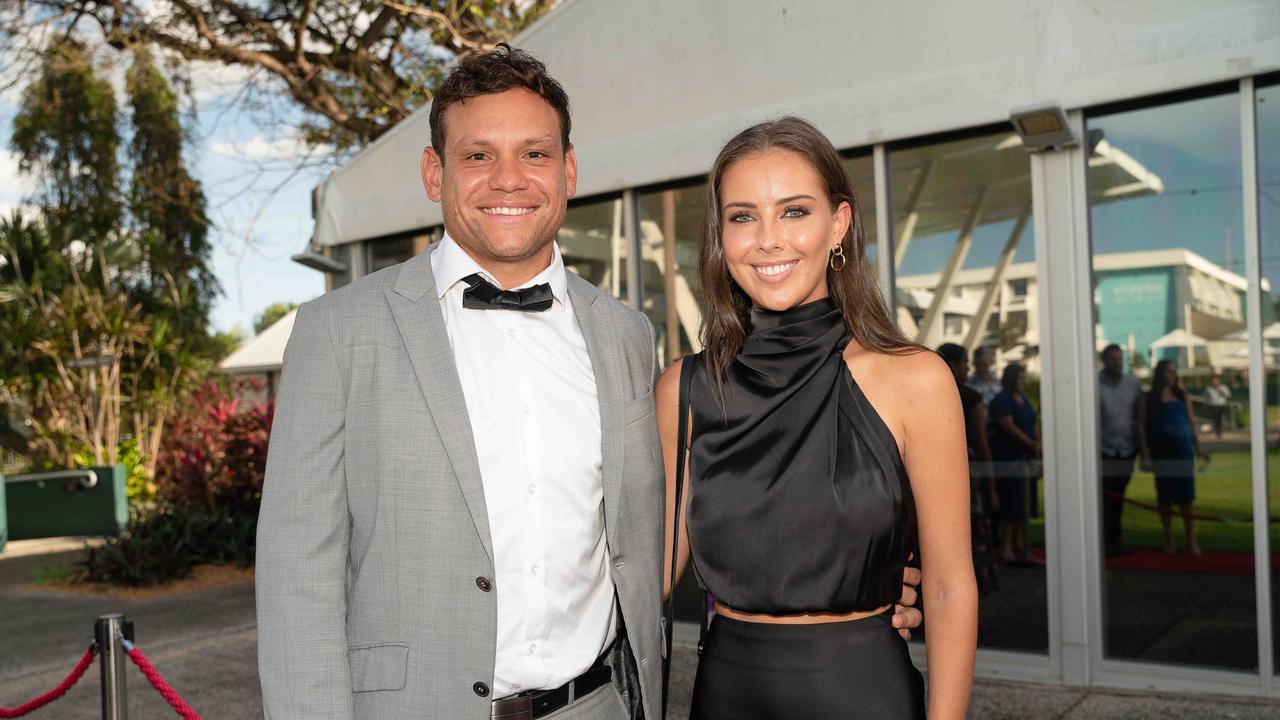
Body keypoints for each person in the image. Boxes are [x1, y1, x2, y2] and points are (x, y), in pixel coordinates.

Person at [256, 47, 923, 720]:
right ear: (435, 172)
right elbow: (295, 580)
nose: (508, 180)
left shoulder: (627, 338)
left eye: (535, 154)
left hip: (597, 707)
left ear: (568, 170)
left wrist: (850, 591)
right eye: (478, 156)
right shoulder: (337, 331)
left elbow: (676, 525)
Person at [657, 117, 975, 719]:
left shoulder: (915, 379)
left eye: (795, 211)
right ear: (721, 237)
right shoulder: (686, 390)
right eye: (743, 216)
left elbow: (950, 585)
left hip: (864, 694)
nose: (769, 239)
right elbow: (644, 574)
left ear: (840, 224)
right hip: (725, 697)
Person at [938, 343, 999, 595]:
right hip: (967, 472)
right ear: (953, 365)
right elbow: (981, 444)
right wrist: (992, 486)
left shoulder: (926, 394)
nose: (968, 369)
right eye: (965, 363)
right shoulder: (971, 398)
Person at [1140, 359, 1209, 556]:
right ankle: (1168, 537)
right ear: (1158, 374)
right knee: (1165, 498)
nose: (1168, 375)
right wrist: (1144, 451)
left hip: (1183, 452)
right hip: (1162, 453)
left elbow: (1191, 421)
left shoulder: (1181, 394)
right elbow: (1142, 426)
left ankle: (1190, 538)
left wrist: (1199, 447)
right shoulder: (1149, 397)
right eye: (1165, 371)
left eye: (1171, 371)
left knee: (1187, 497)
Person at [989, 363, 1041, 565]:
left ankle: (1022, 546)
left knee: (1024, 507)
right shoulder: (1001, 401)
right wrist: (1029, 442)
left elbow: (1033, 423)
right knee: (1011, 506)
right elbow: (1007, 425)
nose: (1022, 381)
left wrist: (1037, 444)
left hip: (1026, 459)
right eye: (1019, 377)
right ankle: (1006, 547)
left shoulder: (1025, 400)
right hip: (1010, 460)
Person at [1098, 344, 1143, 557]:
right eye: (1113, 359)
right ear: (1104, 360)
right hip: (1103, 449)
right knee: (1104, 497)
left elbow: (1139, 417)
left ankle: (1115, 539)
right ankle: (1103, 542)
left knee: (1119, 497)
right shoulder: (1094, 384)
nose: (1117, 362)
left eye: (1119, 359)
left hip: (1126, 449)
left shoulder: (1133, 385)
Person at [1205, 372, 1231, 439]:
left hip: (1221, 405)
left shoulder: (1223, 387)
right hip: (1213, 405)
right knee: (1215, 419)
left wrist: (1219, 389)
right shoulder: (1209, 388)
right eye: (1214, 380)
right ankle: (1217, 432)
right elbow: (1206, 396)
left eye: (1216, 380)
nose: (1215, 382)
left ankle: (1219, 432)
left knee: (1219, 419)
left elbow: (1228, 395)